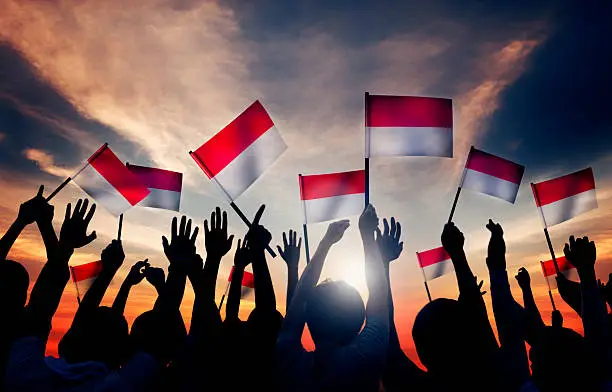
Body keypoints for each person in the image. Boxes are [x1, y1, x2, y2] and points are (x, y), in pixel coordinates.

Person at [5, 199, 160, 391]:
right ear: (125, 353)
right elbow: (158, 341)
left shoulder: (25, 373)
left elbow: (41, 310)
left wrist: (67, 247)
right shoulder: (120, 386)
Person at [276, 204, 389, 392]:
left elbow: (300, 298)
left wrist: (325, 243)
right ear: (360, 318)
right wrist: (368, 235)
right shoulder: (368, 356)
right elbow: (379, 292)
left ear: (308, 318)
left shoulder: (290, 364)